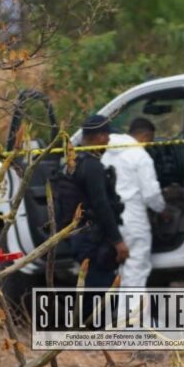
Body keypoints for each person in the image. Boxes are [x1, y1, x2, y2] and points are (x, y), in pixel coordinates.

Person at [101, 117, 167, 288]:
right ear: (145, 136)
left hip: (113, 219)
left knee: (122, 271)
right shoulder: (140, 155)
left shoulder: (107, 153)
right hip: (134, 219)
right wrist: (162, 210)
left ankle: (128, 313)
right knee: (137, 270)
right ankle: (133, 314)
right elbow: (151, 194)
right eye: (150, 141)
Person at [69, 115, 129, 289]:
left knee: (92, 292)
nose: (109, 140)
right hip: (94, 241)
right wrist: (118, 241)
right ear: (98, 137)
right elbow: (101, 205)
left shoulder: (75, 161)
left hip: (82, 237)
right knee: (101, 294)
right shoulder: (91, 166)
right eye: (107, 136)